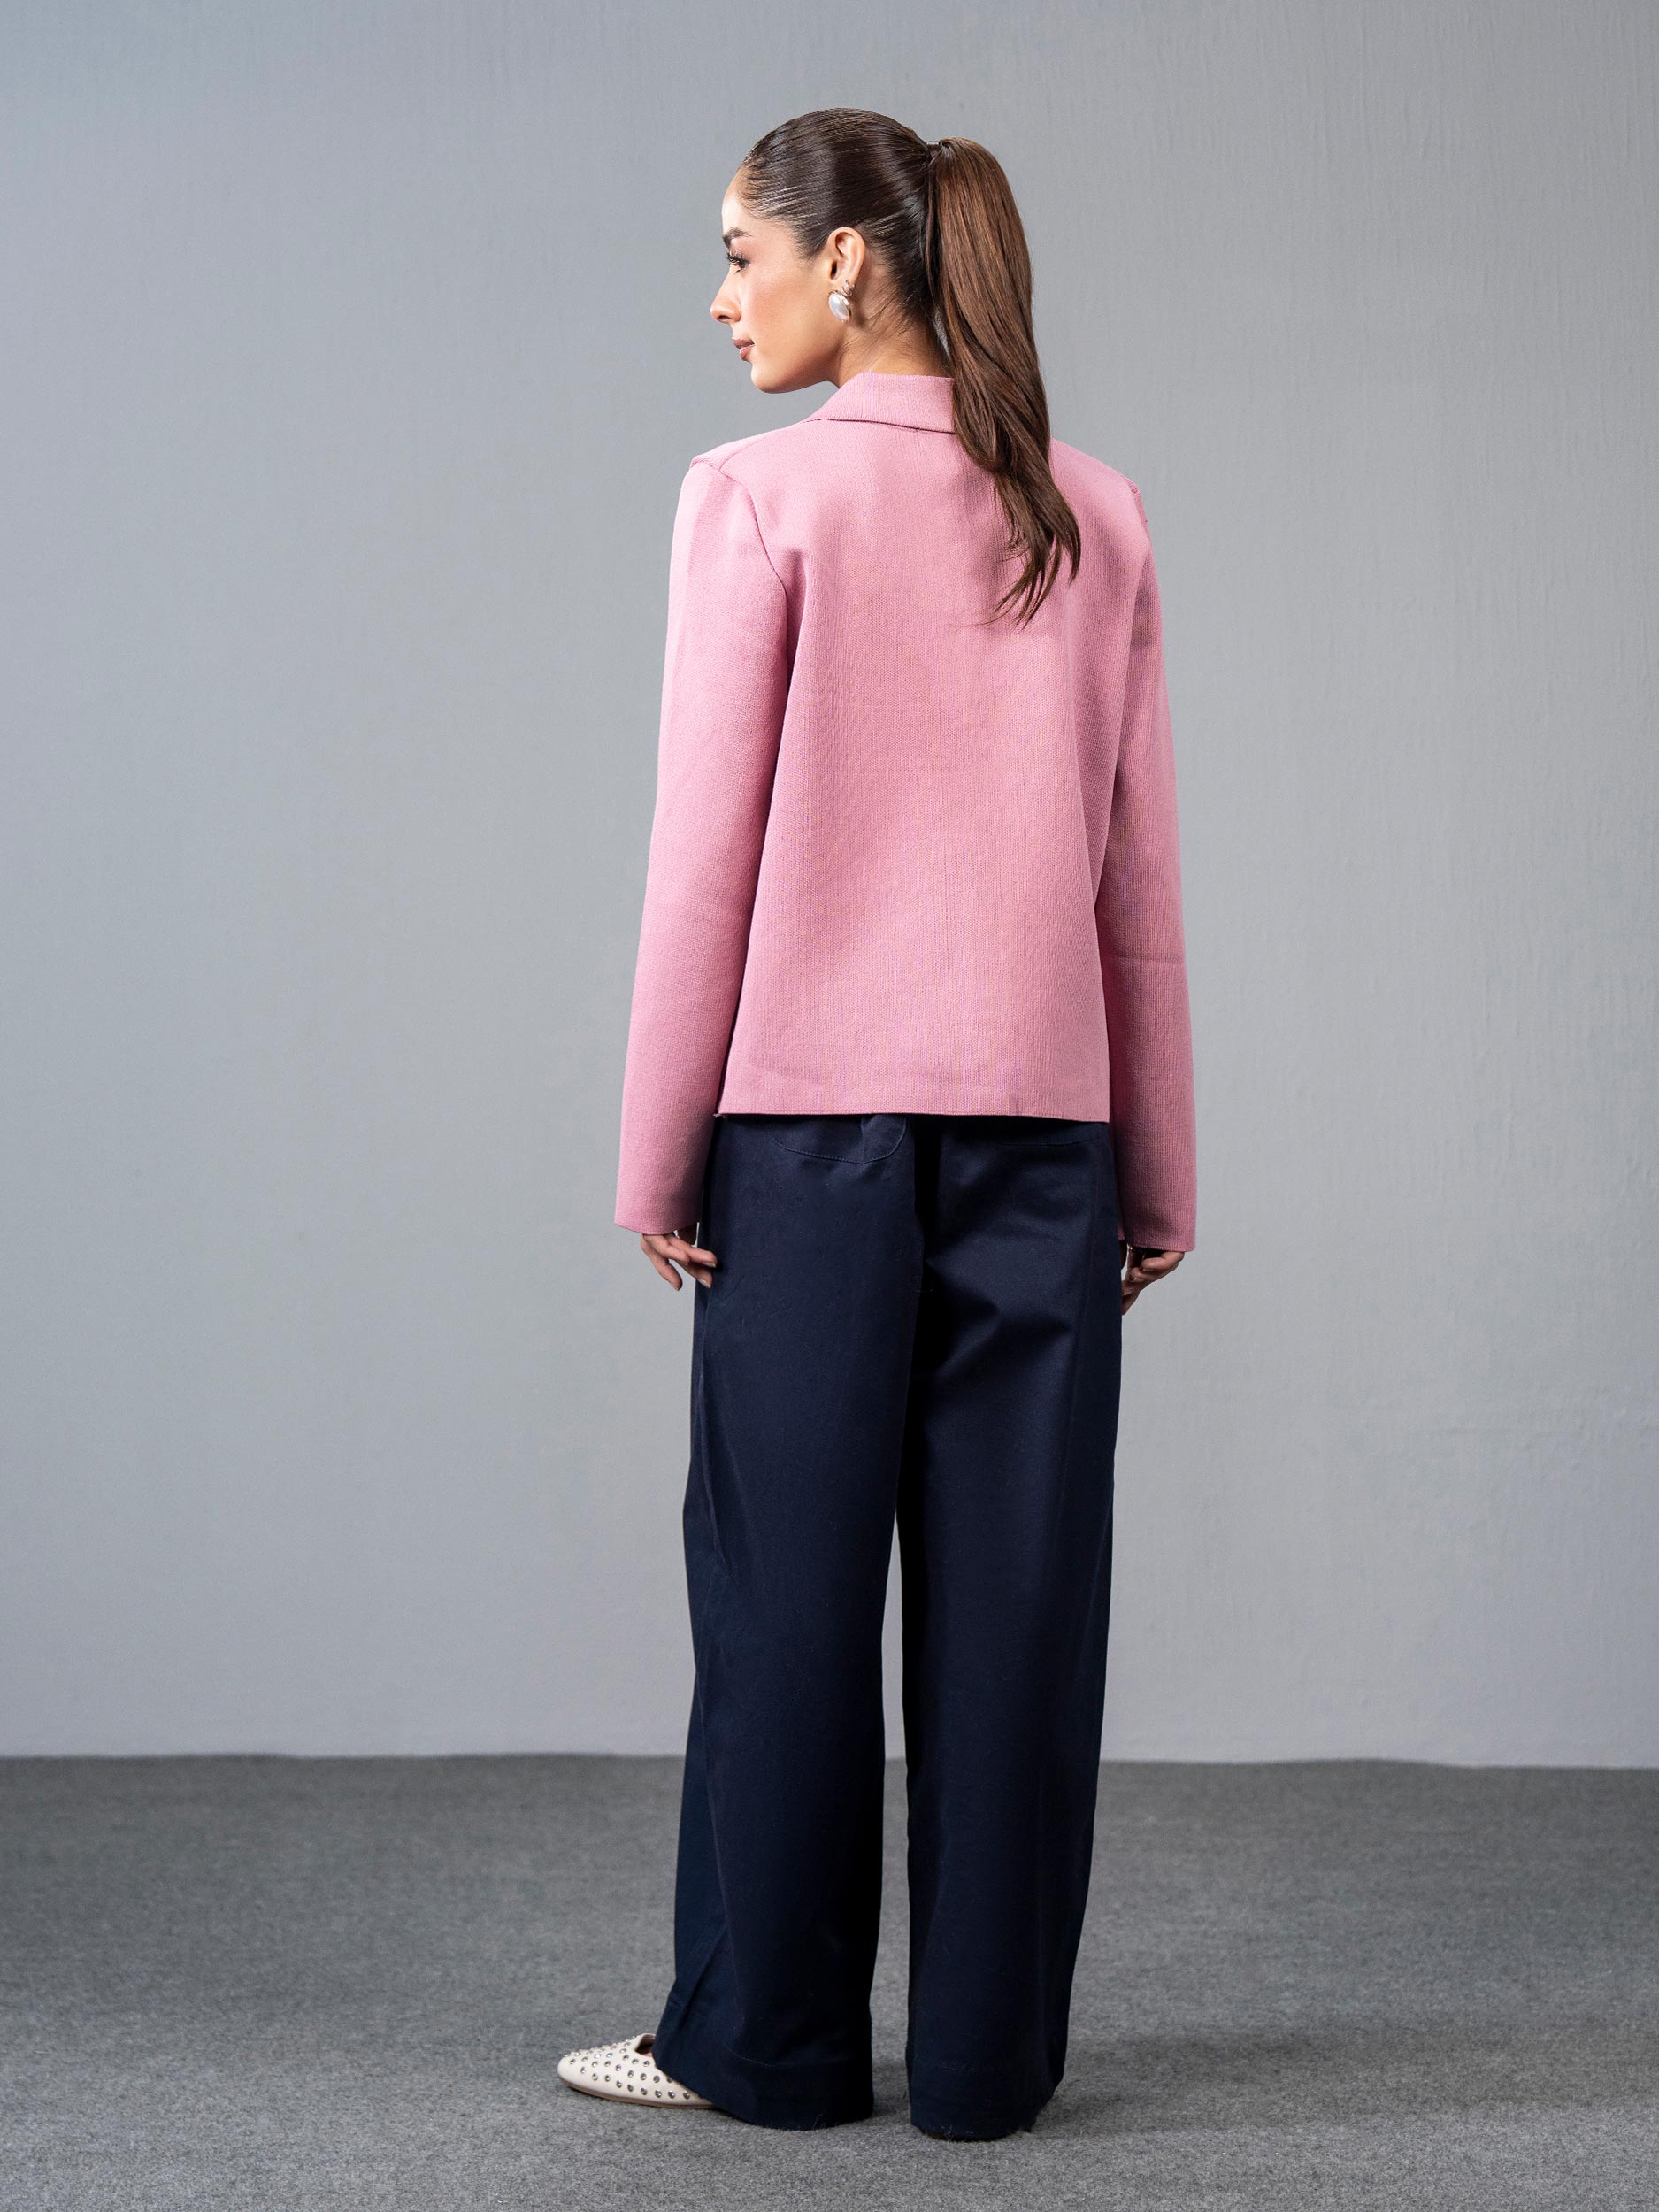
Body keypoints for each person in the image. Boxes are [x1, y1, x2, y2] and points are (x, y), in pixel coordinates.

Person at [558, 106, 1196, 2141]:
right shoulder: (1090, 510)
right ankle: (989, 2067)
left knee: (785, 1602)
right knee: (1019, 1610)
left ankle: (766, 2043)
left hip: (804, 1142)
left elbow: (704, 857)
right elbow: (1132, 875)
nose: (717, 297)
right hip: (1046, 1141)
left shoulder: (758, 497)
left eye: (738, 254)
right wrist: (1157, 1165)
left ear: (843, 260)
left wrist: (656, 1147)